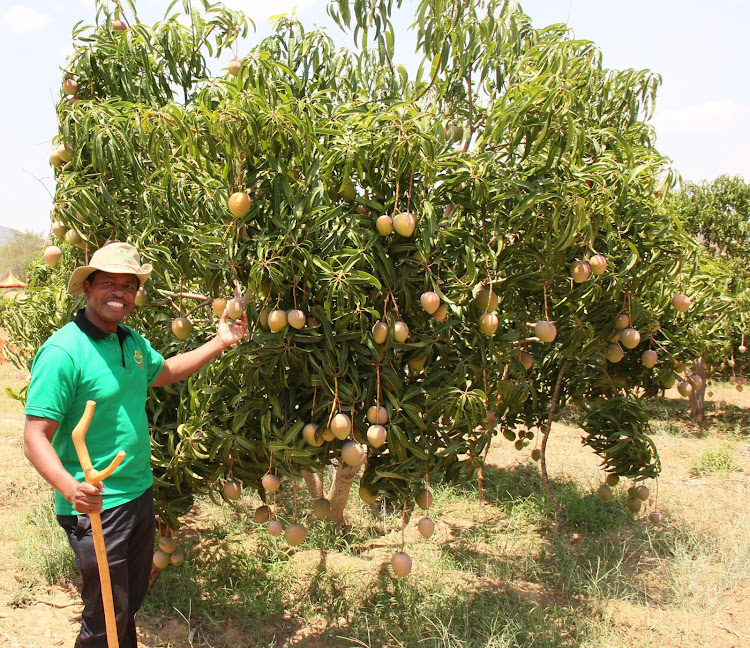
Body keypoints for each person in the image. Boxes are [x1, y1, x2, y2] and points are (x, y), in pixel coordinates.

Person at [22, 241, 247, 647]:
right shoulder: (63, 351)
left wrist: (221, 341)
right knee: (104, 617)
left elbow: (168, 371)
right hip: (97, 504)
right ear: (87, 287)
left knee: (127, 607)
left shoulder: (131, 341)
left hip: (138, 494)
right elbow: (34, 437)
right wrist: (72, 489)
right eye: (108, 283)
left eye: (128, 286)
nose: (119, 293)